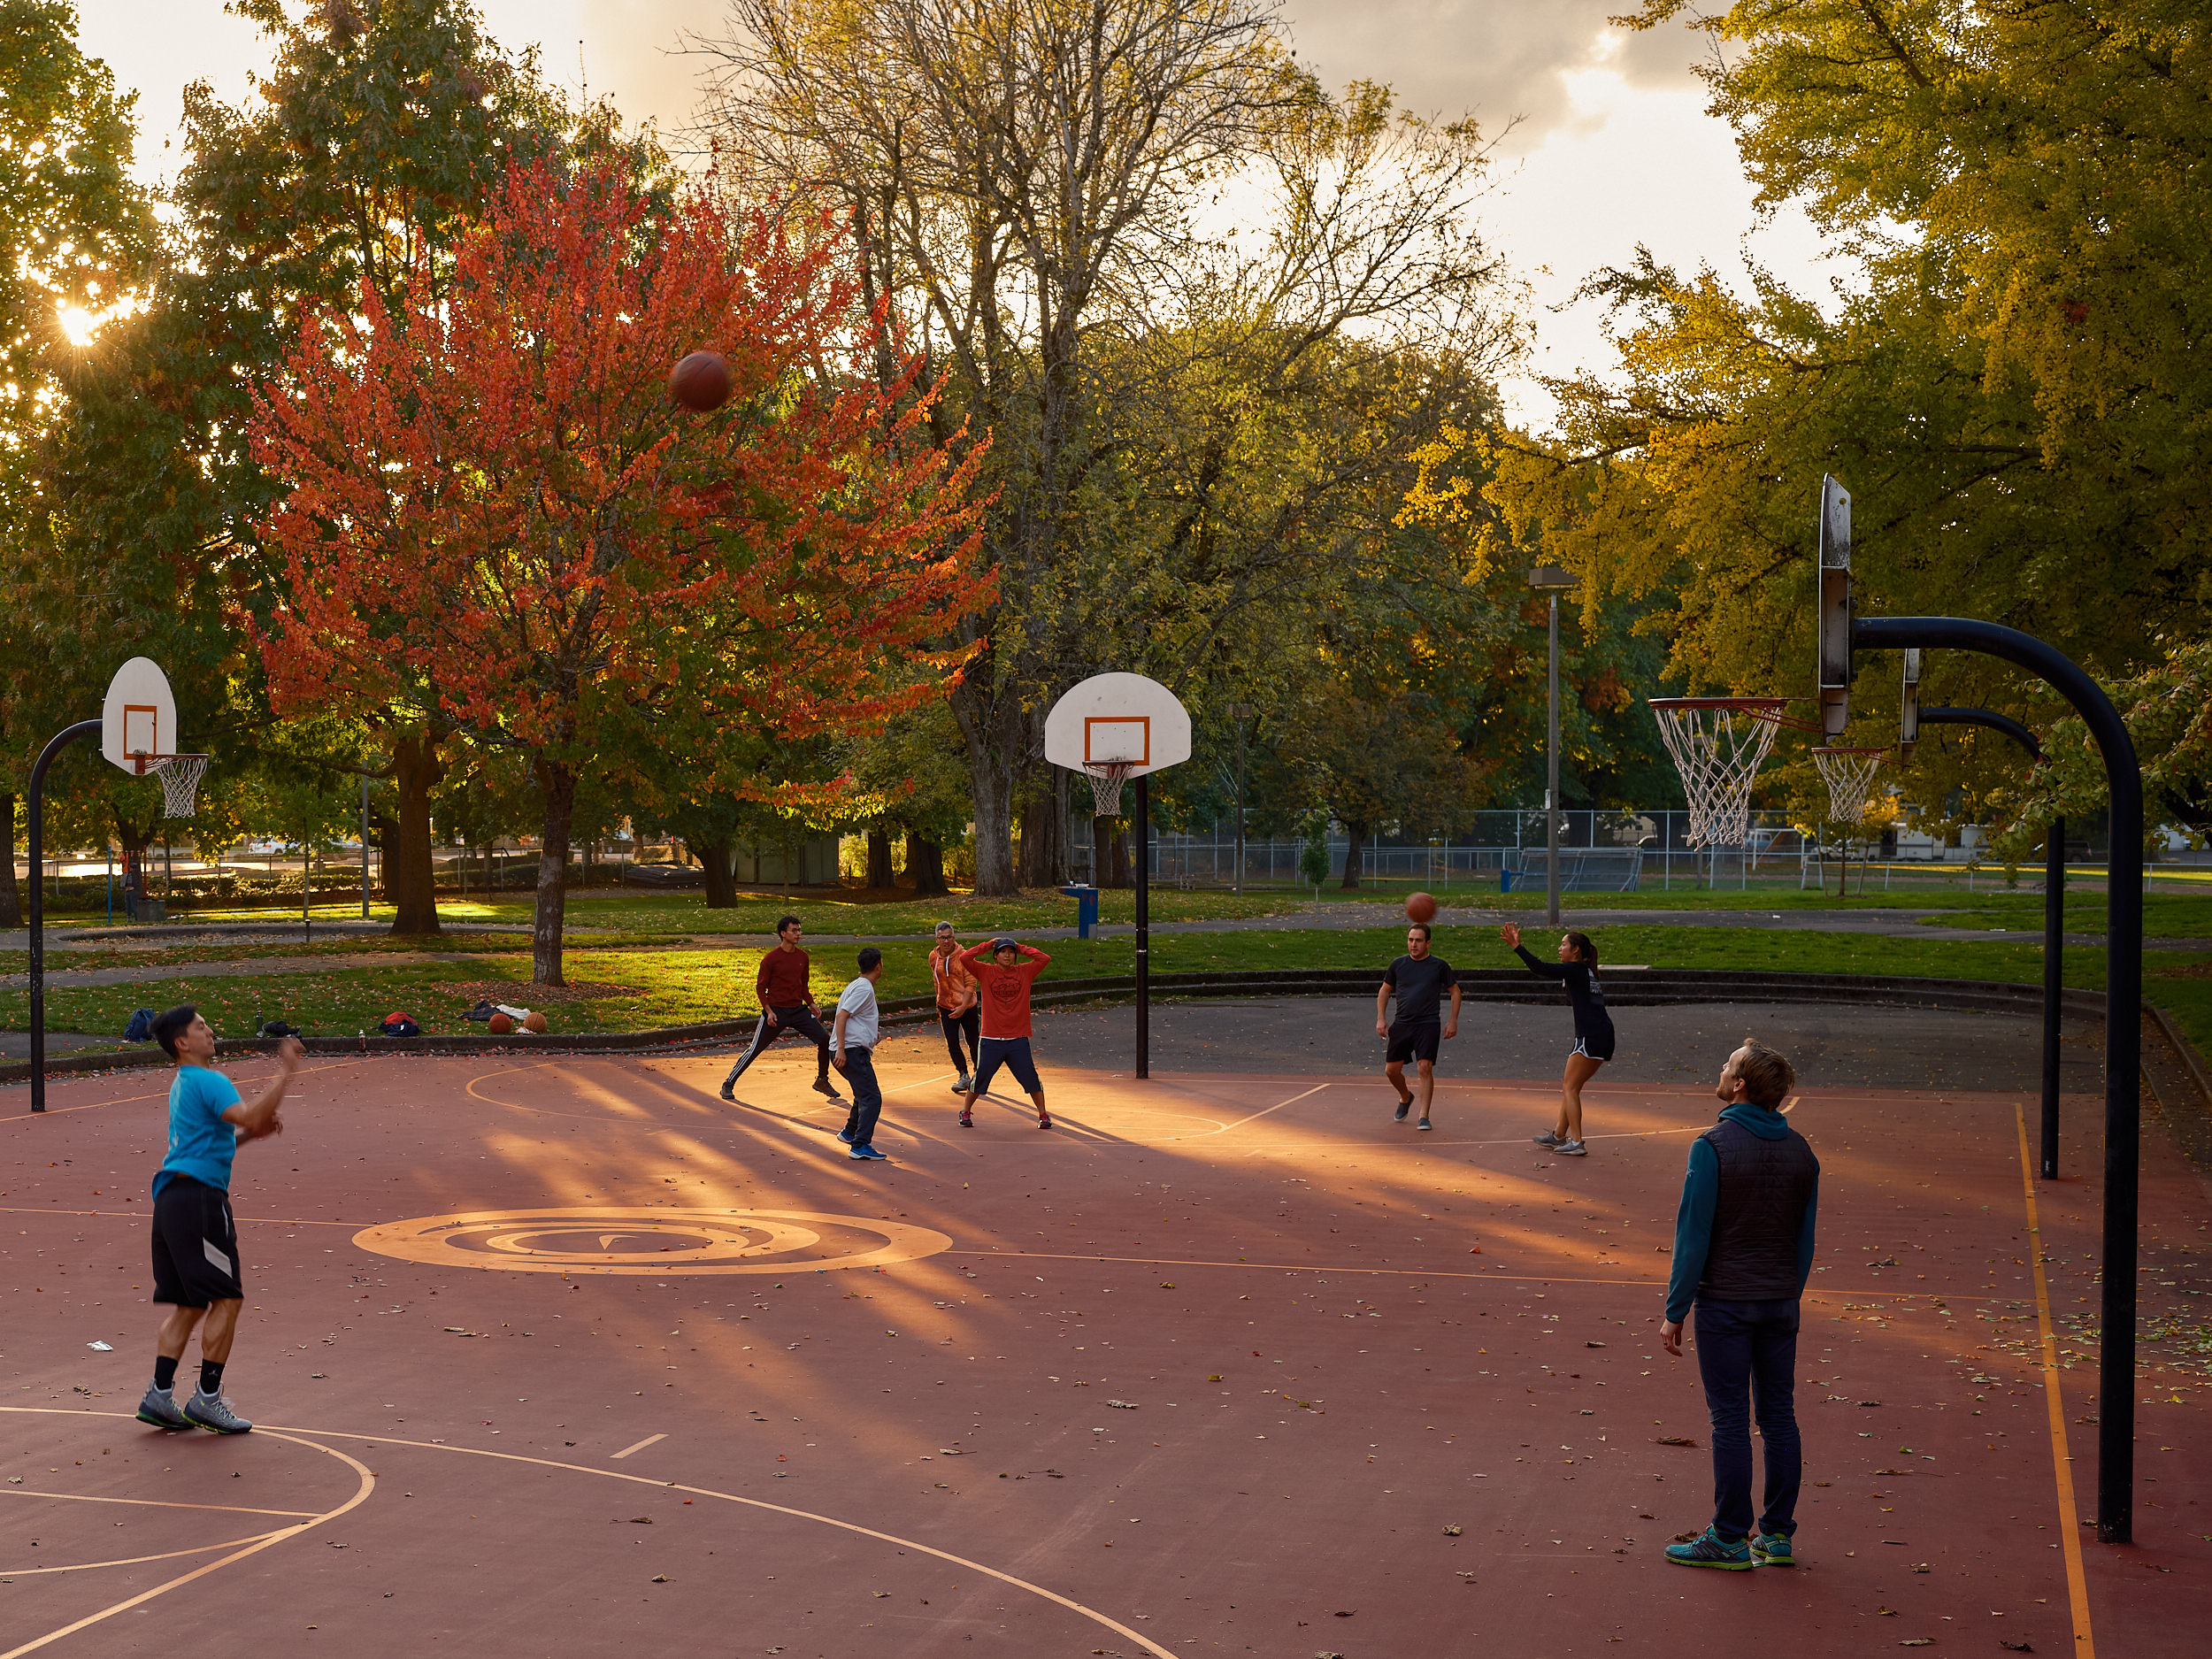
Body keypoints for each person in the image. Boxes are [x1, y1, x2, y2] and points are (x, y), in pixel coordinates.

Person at [1660, 1038, 1818, 1571]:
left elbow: (1693, 1233)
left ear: (1741, 1084)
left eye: (1727, 1064)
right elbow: (1804, 1239)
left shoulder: (1712, 1145)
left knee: (1729, 1418)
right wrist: (1788, 1296)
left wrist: (1676, 1308)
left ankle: (1728, 1536)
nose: (1721, 1068)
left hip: (1727, 1302)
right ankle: (1775, 1535)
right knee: (1779, 1416)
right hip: (1778, 1302)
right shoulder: (1802, 1151)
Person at [135, 1005, 303, 1436]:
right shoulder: (209, 1080)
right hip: (200, 1202)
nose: (210, 1031)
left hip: (173, 1199)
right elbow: (248, 1114)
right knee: (227, 1298)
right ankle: (207, 1398)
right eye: (200, 1027)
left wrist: (249, 1135)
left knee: (190, 1304)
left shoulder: (184, 1083)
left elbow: (212, 1138)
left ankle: (159, 1395)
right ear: (182, 1043)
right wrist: (285, 1072)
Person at [1500, 922, 1613, 1157]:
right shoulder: (1586, 971)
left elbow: (1539, 967)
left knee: (1569, 1087)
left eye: (1564, 945)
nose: (1559, 948)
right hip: (1600, 1034)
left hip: (1590, 1036)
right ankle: (1559, 1135)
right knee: (1572, 1087)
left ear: (1576, 951)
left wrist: (1517, 947)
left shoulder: (1575, 969)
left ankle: (1577, 1141)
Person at [720, 916, 840, 1102]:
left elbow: (803, 986)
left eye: (799, 930)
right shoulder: (771, 959)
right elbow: (760, 988)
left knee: (825, 1040)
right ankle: (728, 1083)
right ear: (783, 934)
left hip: (798, 1011)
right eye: (794, 930)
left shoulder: (803, 957)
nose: (798, 934)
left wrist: (811, 1004)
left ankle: (822, 1080)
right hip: (776, 1011)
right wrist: (769, 1011)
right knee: (755, 1049)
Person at [956, 937, 1052, 1130]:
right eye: (1003, 951)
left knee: (1030, 1077)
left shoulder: (1025, 972)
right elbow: (966, 958)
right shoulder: (985, 971)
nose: (1007, 955)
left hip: (1017, 1038)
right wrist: (985, 945)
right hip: (991, 1038)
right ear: (995, 955)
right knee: (981, 1076)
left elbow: (1044, 958)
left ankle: (1043, 1114)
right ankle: (965, 1111)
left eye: (1011, 952)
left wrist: (1021, 947)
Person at [1374, 923, 1460, 1130]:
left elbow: (1455, 992)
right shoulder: (1398, 965)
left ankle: (1424, 1116)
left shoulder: (1439, 966)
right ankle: (1405, 1097)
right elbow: (1384, 991)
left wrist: (1452, 1020)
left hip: (1428, 1023)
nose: (1413, 944)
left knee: (1424, 1067)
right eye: (1410, 940)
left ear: (1428, 942)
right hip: (1402, 1023)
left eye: (1418, 940)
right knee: (1391, 1071)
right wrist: (1381, 1018)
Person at [832, 948, 889, 1161]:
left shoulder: (858, 985)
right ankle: (860, 1144)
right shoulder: (864, 988)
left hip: (850, 1048)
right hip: (850, 1051)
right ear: (878, 966)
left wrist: (871, 1033)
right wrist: (841, 1048)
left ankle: (849, 1132)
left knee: (862, 1093)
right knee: (872, 1098)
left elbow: (855, 1017)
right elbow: (842, 1015)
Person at [930, 921, 981, 1093]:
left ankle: (979, 1073)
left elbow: (970, 984)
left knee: (973, 1041)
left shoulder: (964, 956)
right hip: (946, 1006)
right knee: (952, 1042)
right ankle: (963, 1075)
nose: (946, 941)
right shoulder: (933, 957)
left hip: (967, 1006)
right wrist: (939, 1002)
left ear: (954, 937)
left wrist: (963, 1006)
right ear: (937, 939)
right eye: (942, 938)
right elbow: (937, 980)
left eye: (949, 937)